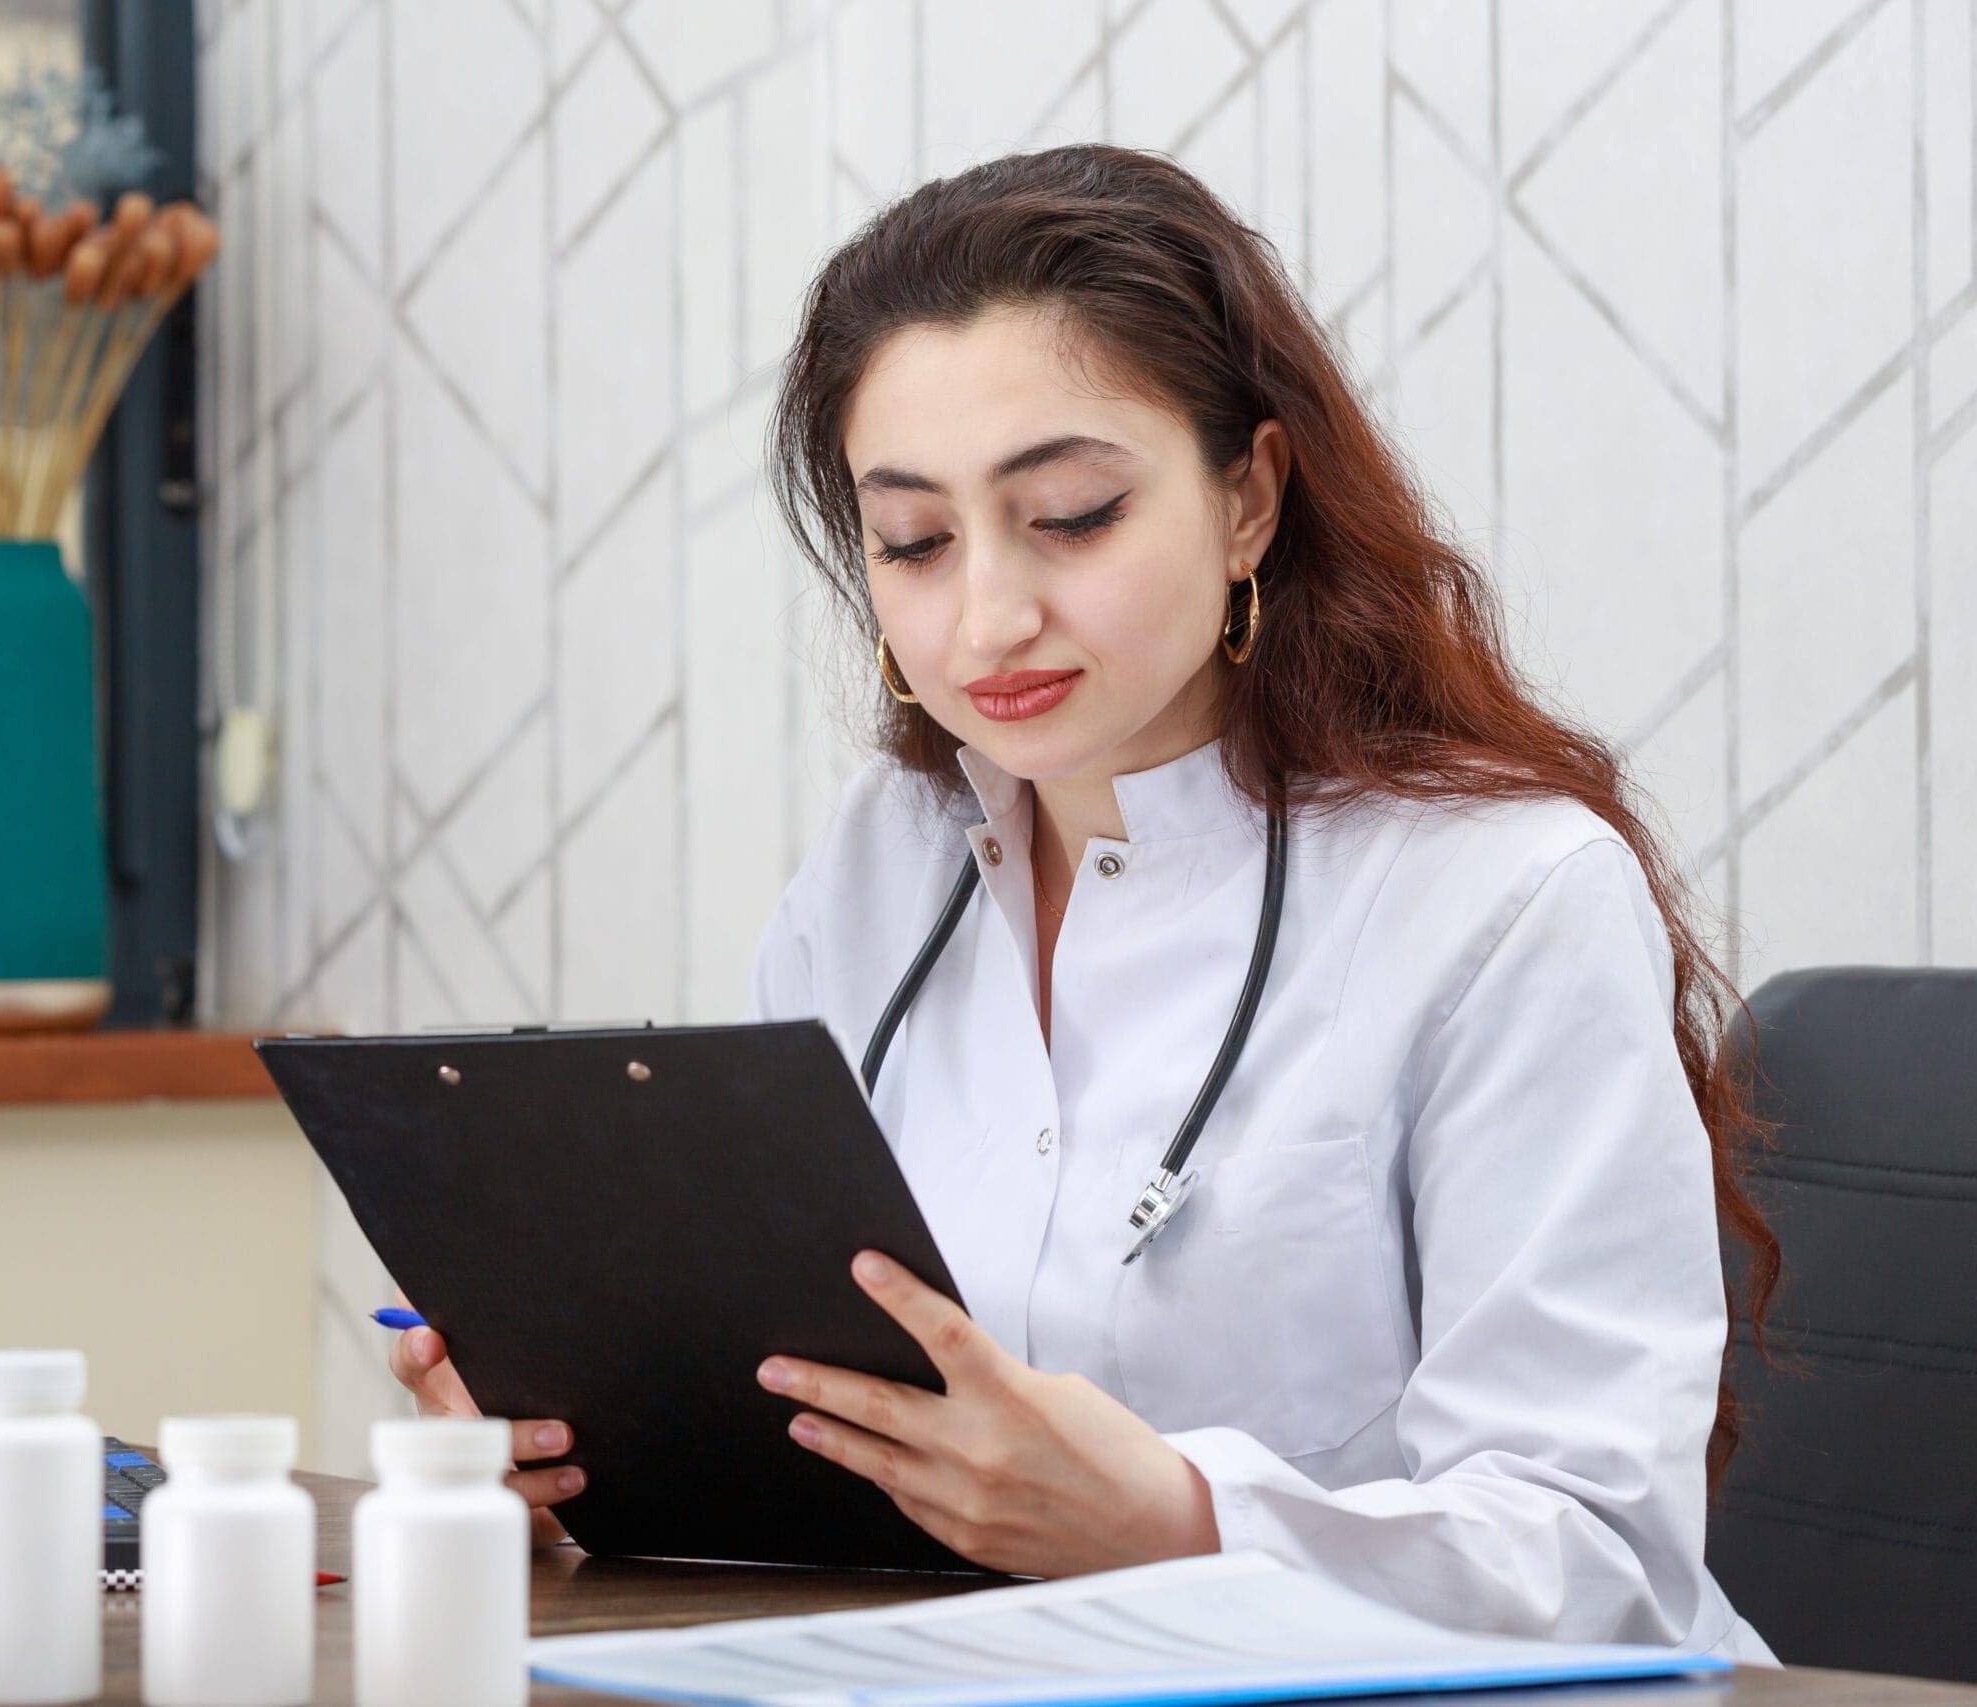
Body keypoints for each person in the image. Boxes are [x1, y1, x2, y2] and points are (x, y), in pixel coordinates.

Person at [389, 144, 1780, 1661]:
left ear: (1248, 496)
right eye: (913, 541)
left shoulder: (1505, 893)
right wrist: (604, 1449)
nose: (987, 616)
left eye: (1070, 514)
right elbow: (818, 1416)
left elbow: (1604, 1559)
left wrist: (1179, 1519)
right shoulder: (883, 860)